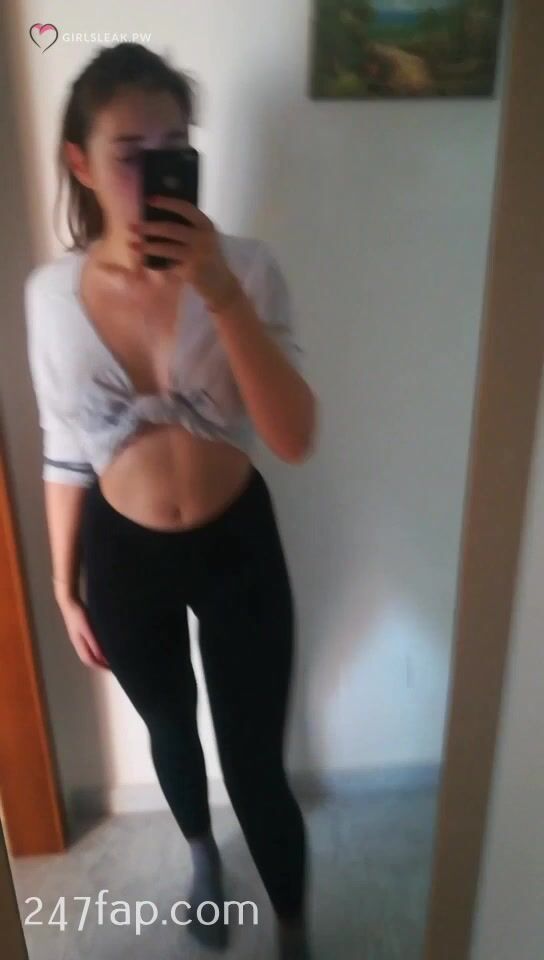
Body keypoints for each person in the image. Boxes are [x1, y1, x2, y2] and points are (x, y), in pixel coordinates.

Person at [24, 42, 317, 960]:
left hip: (237, 545)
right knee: (168, 728)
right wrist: (65, 586)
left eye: (176, 147)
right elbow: (64, 447)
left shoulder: (247, 269)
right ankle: (200, 856)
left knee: (256, 761)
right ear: (79, 161)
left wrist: (218, 292)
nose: (157, 170)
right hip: (121, 555)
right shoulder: (50, 297)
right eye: (130, 151)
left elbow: (294, 437)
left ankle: (295, 930)